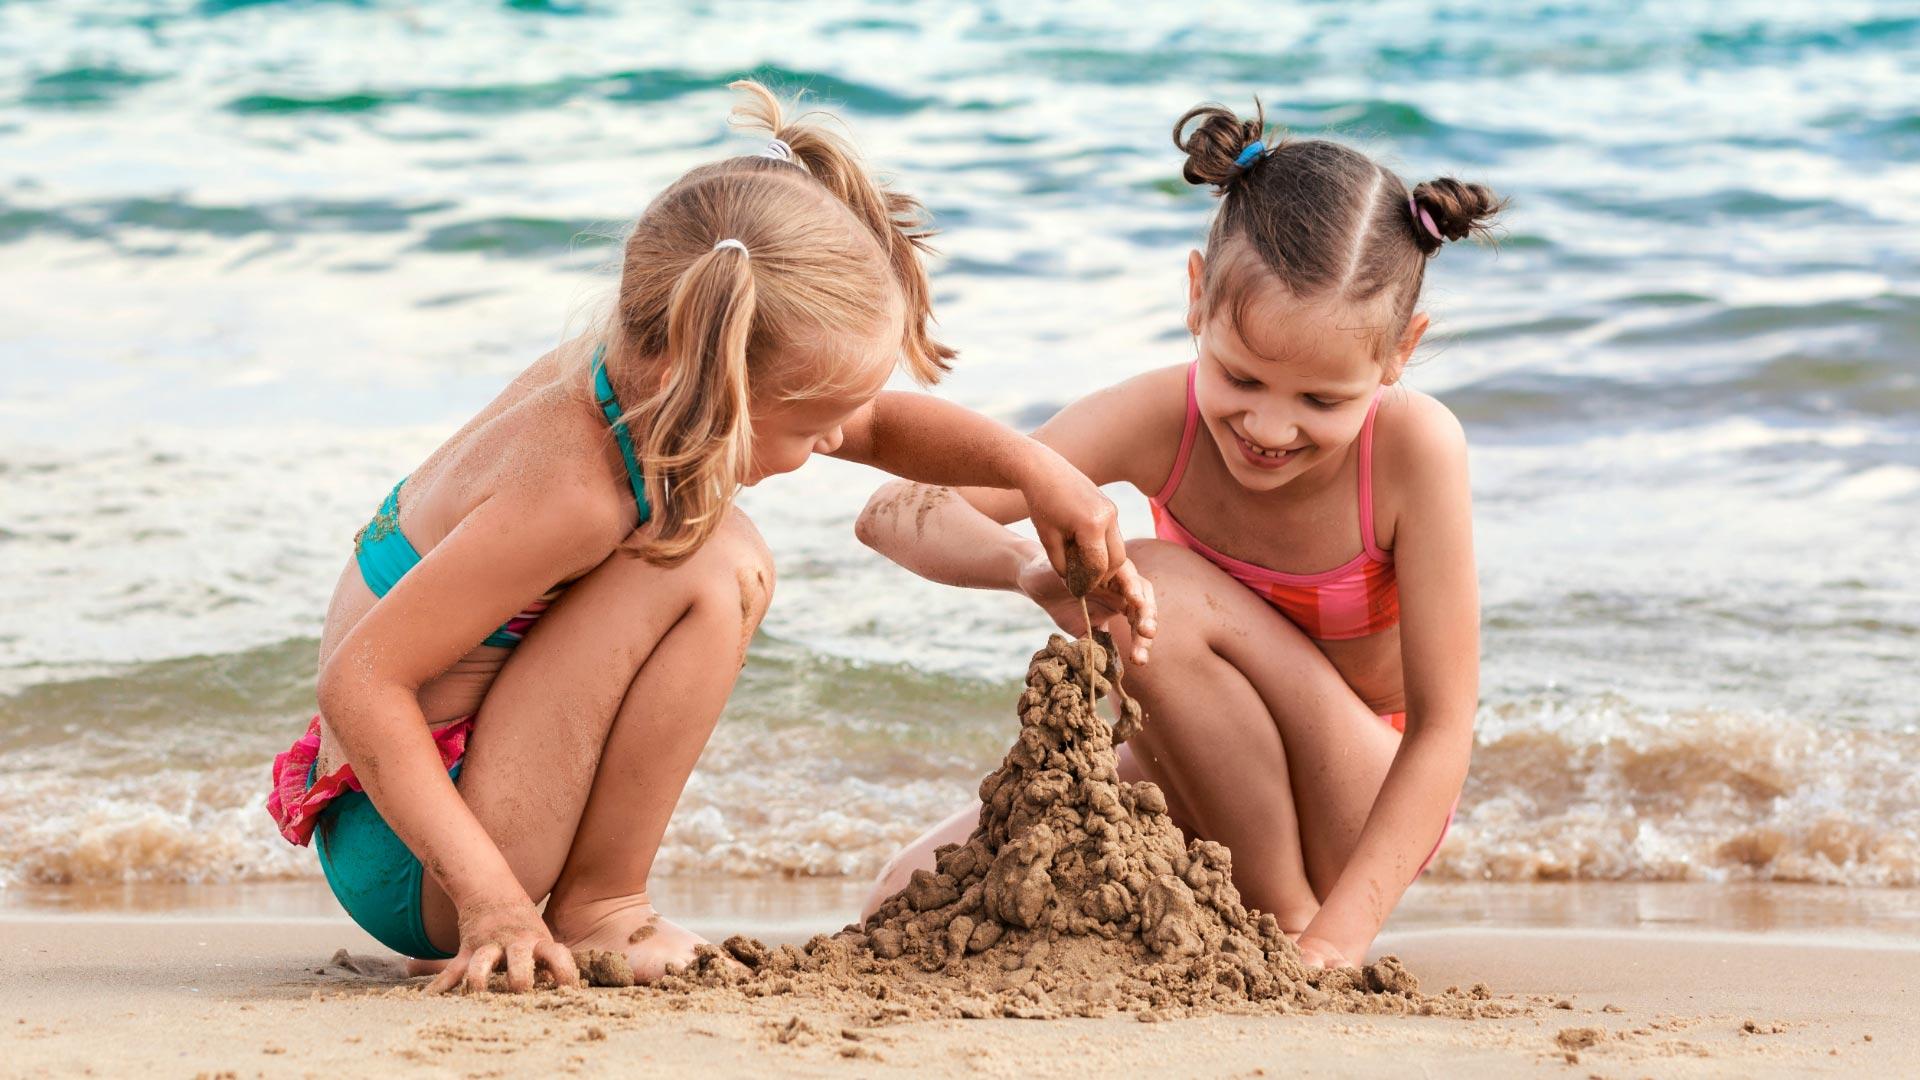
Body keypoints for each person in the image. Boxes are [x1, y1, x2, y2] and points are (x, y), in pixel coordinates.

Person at [265, 81, 1133, 993]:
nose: (839, 440)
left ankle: (570, 897)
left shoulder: (627, 382)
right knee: (717, 559)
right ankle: (601, 908)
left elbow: (879, 428)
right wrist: (492, 905)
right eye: (814, 425)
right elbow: (359, 685)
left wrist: (1044, 474)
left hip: (424, 819)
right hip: (419, 863)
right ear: (716, 381)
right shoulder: (577, 492)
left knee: (710, 543)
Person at [855, 98, 1503, 970]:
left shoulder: (1414, 448)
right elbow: (893, 510)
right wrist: (1021, 563)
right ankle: (1258, 910)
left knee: (1152, 574)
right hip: (1199, 773)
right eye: (1242, 377)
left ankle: (1283, 921)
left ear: (1398, 354)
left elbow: (1443, 728)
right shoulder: (1160, 417)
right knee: (901, 897)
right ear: (1197, 297)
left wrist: (1339, 941)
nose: (1271, 428)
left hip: (1358, 805)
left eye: (1322, 400)